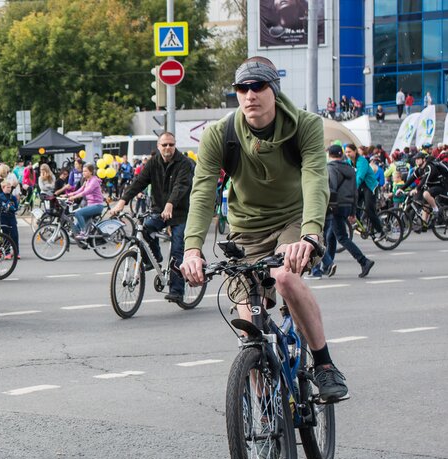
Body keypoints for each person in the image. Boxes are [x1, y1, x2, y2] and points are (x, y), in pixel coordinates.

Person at [179, 56, 348, 403]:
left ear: (275, 90)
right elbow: (203, 191)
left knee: (284, 277)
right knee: (249, 324)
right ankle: (266, 408)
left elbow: (315, 179)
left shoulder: (304, 125)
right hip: (245, 230)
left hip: (293, 221)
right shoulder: (220, 134)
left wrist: (311, 234)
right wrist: (192, 249)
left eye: (258, 86)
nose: (250, 95)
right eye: (242, 88)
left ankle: (324, 364)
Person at [111, 132, 193, 302]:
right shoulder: (153, 163)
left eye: (171, 144)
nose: (168, 147)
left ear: (175, 145)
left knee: (177, 249)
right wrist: (122, 202)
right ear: (158, 146)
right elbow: (139, 182)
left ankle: (177, 291)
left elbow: (180, 186)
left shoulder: (184, 163)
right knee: (146, 228)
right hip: (159, 211)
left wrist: (170, 204)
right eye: (164, 145)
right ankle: (154, 257)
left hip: (180, 213)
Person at [311, 144, 374, 279]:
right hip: (347, 205)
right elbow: (355, 191)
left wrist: (329, 207)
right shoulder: (350, 168)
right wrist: (353, 211)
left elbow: (331, 188)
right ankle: (327, 266)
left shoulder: (330, 168)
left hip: (335, 206)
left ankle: (364, 261)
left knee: (342, 237)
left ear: (329, 155)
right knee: (331, 236)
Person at [345, 143, 384, 241]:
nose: (347, 154)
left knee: (369, 209)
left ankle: (381, 231)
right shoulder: (349, 162)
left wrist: (352, 189)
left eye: (349, 152)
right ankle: (359, 225)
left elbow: (359, 177)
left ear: (355, 151)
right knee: (354, 205)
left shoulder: (362, 161)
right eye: (346, 152)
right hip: (359, 187)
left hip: (369, 186)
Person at [405, 151, 448, 226]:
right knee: (425, 205)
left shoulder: (429, 167)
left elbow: (424, 180)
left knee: (426, 194)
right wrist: (401, 188)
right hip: (431, 186)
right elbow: (411, 179)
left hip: (441, 186)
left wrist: (416, 189)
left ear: (423, 159)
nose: (416, 161)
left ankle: (436, 210)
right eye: (416, 159)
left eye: (418, 159)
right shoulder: (419, 169)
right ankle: (424, 225)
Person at [66, 163, 104, 239]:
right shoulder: (87, 181)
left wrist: (74, 197)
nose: (83, 173)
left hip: (97, 205)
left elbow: (86, 192)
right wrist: (68, 195)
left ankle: (84, 233)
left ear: (91, 172)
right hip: (91, 205)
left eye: (85, 171)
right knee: (77, 226)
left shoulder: (94, 181)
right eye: (83, 171)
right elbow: (80, 190)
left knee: (78, 213)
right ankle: (82, 238)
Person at [0, 174, 20, 258]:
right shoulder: (0, 197)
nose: (9, 189)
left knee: (15, 235)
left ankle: (16, 252)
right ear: (3, 188)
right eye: (7, 187)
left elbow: (16, 207)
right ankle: (7, 253)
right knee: (6, 235)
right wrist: (3, 207)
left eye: (10, 187)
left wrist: (12, 208)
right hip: (3, 217)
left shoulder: (13, 197)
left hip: (12, 217)